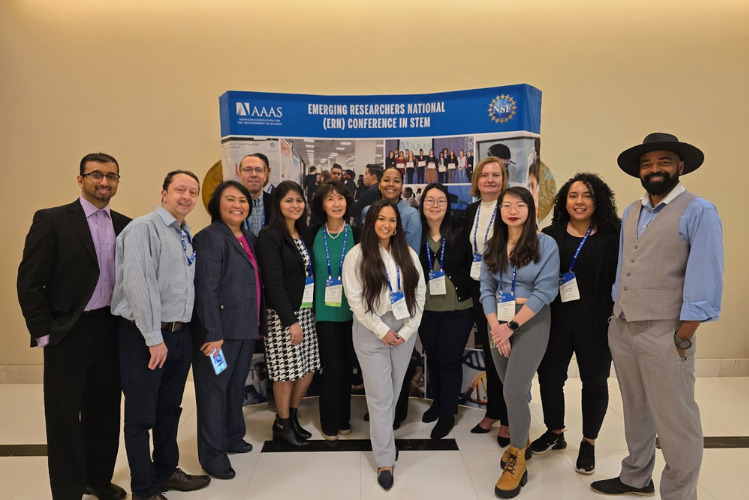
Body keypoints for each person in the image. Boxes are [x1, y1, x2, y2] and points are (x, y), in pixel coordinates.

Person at [590, 133, 724, 500]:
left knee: (676, 421)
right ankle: (636, 477)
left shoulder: (699, 211)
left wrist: (684, 335)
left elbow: (705, 277)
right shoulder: (633, 210)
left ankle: (680, 494)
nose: (654, 169)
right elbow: (625, 267)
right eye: (647, 164)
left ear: (680, 166)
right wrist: (617, 312)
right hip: (624, 326)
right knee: (635, 409)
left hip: (666, 332)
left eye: (664, 162)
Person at [17, 153, 130, 500]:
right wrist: (45, 332)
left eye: (111, 176)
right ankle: (67, 490)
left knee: (105, 411)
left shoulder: (126, 224)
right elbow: (29, 282)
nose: (104, 182)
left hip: (110, 329)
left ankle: (97, 479)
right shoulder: (52, 220)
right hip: (68, 332)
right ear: (80, 179)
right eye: (96, 175)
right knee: (65, 415)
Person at [111, 170, 211, 500]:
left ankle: (166, 470)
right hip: (145, 337)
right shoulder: (143, 229)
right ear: (164, 193)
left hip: (179, 335)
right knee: (141, 416)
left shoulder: (184, 233)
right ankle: (144, 488)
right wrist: (154, 337)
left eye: (192, 192)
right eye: (180, 189)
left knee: (169, 409)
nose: (186, 196)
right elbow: (138, 285)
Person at [534, 173, 620, 475]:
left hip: (597, 325)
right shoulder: (550, 234)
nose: (579, 201)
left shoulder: (614, 235)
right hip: (556, 321)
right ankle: (555, 432)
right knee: (549, 380)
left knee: (594, 383)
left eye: (587, 196)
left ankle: (589, 442)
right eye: (573, 196)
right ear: (564, 201)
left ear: (598, 201)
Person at [480, 186, 559, 498]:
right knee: (511, 389)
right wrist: (496, 327)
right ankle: (522, 438)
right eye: (506, 205)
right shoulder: (494, 244)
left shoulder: (545, 244)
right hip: (497, 323)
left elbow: (546, 291)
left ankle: (517, 458)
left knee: (513, 390)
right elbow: (486, 288)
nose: (512, 210)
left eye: (519, 205)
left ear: (530, 209)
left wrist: (511, 326)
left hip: (530, 322)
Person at [342, 199, 426, 491]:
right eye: (381, 219)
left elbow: (420, 294)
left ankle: (385, 442)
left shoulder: (408, 253)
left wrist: (408, 329)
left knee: (392, 392)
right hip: (371, 330)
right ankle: (385, 460)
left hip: (404, 330)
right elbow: (355, 300)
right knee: (379, 397)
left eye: (392, 220)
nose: (387, 225)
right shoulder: (357, 255)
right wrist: (381, 330)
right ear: (371, 222)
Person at [192, 181, 265, 480]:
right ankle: (212, 454)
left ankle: (233, 436)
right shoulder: (209, 237)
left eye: (243, 200)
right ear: (217, 205)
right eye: (230, 199)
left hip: (245, 328)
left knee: (236, 387)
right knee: (213, 391)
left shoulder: (247, 236)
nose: (238, 205)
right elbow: (206, 288)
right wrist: (212, 332)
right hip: (219, 334)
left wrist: (257, 323)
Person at [255, 181, 321, 448]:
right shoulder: (270, 236)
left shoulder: (302, 234)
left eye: (299, 200)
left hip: (305, 312)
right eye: (288, 201)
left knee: (307, 368)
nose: (295, 205)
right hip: (283, 316)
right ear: (278, 205)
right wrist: (290, 320)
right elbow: (273, 282)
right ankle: (282, 423)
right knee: (286, 373)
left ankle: (290, 417)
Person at [417, 183, 474, 439]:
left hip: (459, 308)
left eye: (441, 200)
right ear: (422, 204)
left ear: (447, 205)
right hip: (427, 309)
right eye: (430, 200)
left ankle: (448, 413)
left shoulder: (461, 230)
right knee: (434, 358)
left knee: (450, 360)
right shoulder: (415, 233)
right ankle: (437, 403)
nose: (435, 205)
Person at [465, 157, 511, 444]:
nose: (490, 180)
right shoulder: (472, 210)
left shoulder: (510, 206)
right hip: (478, 286)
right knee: (491, 354)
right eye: (485, 175)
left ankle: (508, 418)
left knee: (505, 354)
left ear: (503, 179)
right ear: (477, 181)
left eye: (496, 175)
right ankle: (492, 410)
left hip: (504, 290)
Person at [310, 180, 360, 440]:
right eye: (330, 199)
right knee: (331, 367)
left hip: (354, 313)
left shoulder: (358, 234)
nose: (336, 203)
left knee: (348, 367)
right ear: (322, 204)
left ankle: (344, 418)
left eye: (340, 198)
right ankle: (329, 420)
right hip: (324, 314)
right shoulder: (312, 234)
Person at [361, 166, 422, 253]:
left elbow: (412, 255)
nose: (391, 184)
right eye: (386, 180)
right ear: (379, 185)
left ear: (401, 187)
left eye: (396, 181)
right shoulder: (367, 211)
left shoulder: (412, 215)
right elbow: (363, 246)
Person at [237, 153, 274, 237]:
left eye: (258, 170)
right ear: (239, 175)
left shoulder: (277, 204)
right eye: (248, 169)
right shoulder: (228, 206)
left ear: (265, 176)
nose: (254, 174)